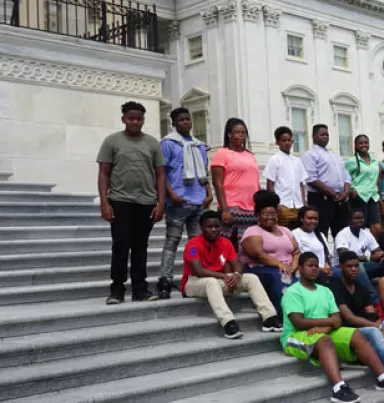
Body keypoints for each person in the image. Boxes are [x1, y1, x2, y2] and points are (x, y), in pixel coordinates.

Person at [281, 252, 384, 403]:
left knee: (355, 334)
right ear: (300, 269)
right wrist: (329, 323)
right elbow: (299, 322)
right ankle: (339, 388)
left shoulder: (325, 290)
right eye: (310, 266)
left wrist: (326, 327)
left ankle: (382, 377)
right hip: (296, 336)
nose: (315, 269)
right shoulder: (293, 292)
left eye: (316, 266)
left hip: (322, 332)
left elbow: (338, 320)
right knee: (325, 341)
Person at [97, 101, 166, 304]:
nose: (135, 122)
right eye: (131, 118)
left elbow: (161, 175)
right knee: (120, 245)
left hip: (146, 202)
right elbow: (103, 173)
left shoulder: (153, 143)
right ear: (123, 119)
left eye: (139, 119)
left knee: (140, 246)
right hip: (120, 200)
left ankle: (140, 289)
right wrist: (104, 202)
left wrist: (161, 202)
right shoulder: (112, 142)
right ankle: (117, 290)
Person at [181, 210, 281, 338]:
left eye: (216, 226)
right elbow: (198, 271)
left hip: (218, 281)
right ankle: (228, 323)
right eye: (209, 227)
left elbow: (237, 263)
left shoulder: (225, 242)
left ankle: (269, 318)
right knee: (210, 282)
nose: (213, 230)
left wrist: (236, 274)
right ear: (202, 227)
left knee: (251, 278)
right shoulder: (193, 245)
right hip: (194, 282)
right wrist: (224, 276)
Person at [158, 106, 212, 299]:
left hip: (198, 201)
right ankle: (165, 279)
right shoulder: (168, 144)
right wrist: (170, 194)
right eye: (180, 120)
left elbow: (204, 172)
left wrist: (209, 192)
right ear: (174, 123)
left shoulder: (199, 145)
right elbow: (161, 172)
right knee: (172, 242)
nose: (185, 122)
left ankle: (196, 278)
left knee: (196, 244)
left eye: (187, 119)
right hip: (178, 202)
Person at [329, 250, 384, 375]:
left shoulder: (361, 286)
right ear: (340, 267)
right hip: (345, 328)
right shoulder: (334, 287)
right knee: (374, 331)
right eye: (349, 266)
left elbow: (371, 313)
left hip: (362, 326)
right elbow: (349, 318)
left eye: (356, 266)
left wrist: (382, 328)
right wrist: (378, 327)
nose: (354, 269)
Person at [240, 191, 301, 317]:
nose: (270, 217)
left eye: (273, 214)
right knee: (278, 276)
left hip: (287, 268)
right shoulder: (252, 231)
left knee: (305, 276)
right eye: (265, 214)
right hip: (260, 268)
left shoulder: (285, 230)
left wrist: (294, 266)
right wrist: (281, 265)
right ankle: (283, 315)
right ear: (258, 215)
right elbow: (258, 254)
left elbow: (296, 251)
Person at [210, 117, 259, 242]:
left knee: (248, 246)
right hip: (232, 207)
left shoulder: (250, 155)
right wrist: (224, 209)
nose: (241, 136)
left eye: (243, 133)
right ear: (229, 134)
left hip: (251, 209)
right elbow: (217, 183)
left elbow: (256, 182)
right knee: (229, 246)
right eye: (237, 132)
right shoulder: (222, 154)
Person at [303, 124, 352, 238]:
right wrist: (333, 193)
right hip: (321, 199)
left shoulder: (335, 156)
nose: (325, 137)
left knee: (342, 233)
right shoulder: (309, 155)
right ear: (314, 136)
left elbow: (347, 176)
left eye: (327, 135)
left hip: (340, 200)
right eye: (322, 134)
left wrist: (345, 192)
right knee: (321, 232)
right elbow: (311, 178)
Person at [334, 209, 384, 304]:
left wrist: (382, 255)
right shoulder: (343, 234)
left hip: (363, 266)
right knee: (357, 266)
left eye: (361, 218)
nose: (359, 221)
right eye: (356, 218)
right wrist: (368, 258)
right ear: (349, 220)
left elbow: (377, 251)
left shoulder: (366, 234)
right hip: (341, 268)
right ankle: (374, 300)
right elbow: (346, 257)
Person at [263, 126, 307, 229]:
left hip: (298, 205)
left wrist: (304, 203)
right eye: (283, 140)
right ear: (277, 142)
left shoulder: (297, 161)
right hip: (283, 204)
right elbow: (270, 184)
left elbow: (301, 184)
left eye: (289, 140)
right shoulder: (275, 160)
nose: (287, 143)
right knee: (283, 232)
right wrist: (275, 204)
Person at [347, 134, 383, 238]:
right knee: (359, 225)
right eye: (361, 143)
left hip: (373, 196)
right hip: (360, 196)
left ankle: (374, 250)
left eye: (366, 143)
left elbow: (377, 178)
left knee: (376, 227)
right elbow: (345, 178)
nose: (364, 145)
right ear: (356, 145)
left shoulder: (374, 160)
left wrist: (378, 194)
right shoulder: (352, 161)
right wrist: (351, 190)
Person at [291, 206, 334, 281]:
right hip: (308, 272)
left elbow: (327, 255)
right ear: (301, 219)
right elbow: (299, 257)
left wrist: (327, 265)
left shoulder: (320, 235)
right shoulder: (295, 234)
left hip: (324, 270)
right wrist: (321, 269)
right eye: (310, 218)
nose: (313, 221)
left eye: (316, 219)